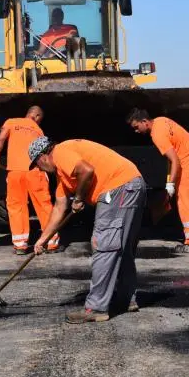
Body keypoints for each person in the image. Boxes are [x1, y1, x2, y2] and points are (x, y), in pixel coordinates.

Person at [29, 137, 146, 324]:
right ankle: (126, 300)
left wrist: (78, 199)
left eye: (37, 165)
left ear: (42, 156)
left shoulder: (60, 152)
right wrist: (42, 239)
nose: (40, 169)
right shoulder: (62, 175)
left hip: (118, 188)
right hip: (130, 184)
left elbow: (87, 170)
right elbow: (59, 208)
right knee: (121, 247)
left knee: (104, 246)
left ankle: (96, 308)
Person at [126, 109, 189, 253]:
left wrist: (170, 184)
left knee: (185, 201)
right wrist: (169, 179)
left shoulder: (157, 135)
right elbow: (172, 158)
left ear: (145, 122)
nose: (136, 131)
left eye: (136, 127)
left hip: (188, 161)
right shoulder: (161, 120)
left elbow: (175, 160)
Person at [0, 106, 59, 254]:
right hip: (35, 172)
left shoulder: (12, 122)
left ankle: (20, 244)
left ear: (28, 114)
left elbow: (0, 139)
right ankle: (51, 242)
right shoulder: (38, 130)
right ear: (38, 116)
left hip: (15, 172)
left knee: (16, 206)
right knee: (44, 205)